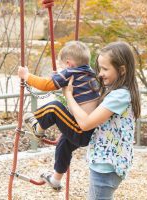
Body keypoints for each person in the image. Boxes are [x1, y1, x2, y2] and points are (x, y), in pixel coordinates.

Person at [62, 41, 141, 199]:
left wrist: (68, 95)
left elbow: (85, 123)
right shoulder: (116, 91)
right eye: (99, 68)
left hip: (106, 167)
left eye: (105, 69)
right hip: (105, 164)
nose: (100, 74)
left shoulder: (119, 96)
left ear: (122, 70)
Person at [17, 40, 100, 190]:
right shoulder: (89, 74)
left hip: (80, 128)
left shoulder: (70, 73)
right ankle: (55, 179)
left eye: (62, 66)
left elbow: (45, 85)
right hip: (88, 132)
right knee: (63, 144)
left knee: (55, 108)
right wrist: (60, 76)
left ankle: (38, 128)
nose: (62, 69)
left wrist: (26, 75)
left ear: (69, 64)